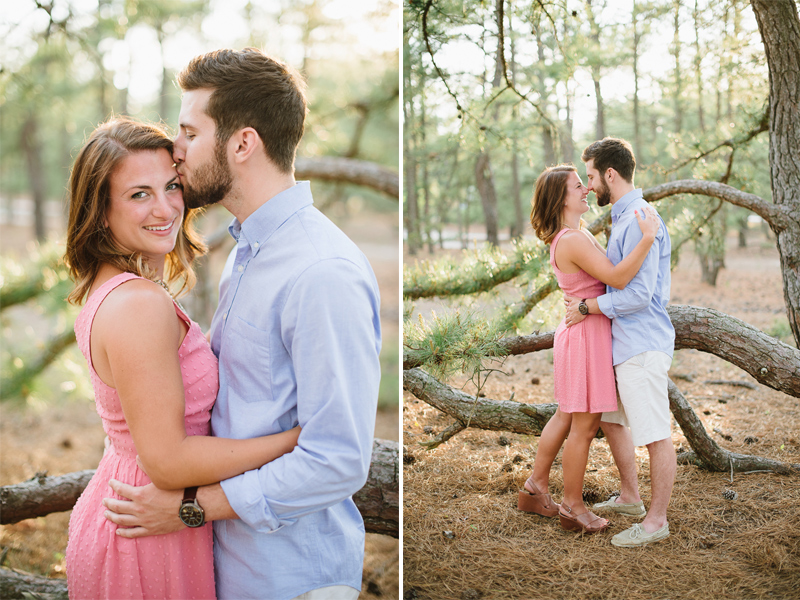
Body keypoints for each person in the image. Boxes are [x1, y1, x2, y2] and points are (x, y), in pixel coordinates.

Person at [101, 48, 382, 600]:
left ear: (243, 143)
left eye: (188, 132)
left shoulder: (321, 271)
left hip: (293, 579)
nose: (174, 152)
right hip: (229, 567)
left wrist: (191, 507)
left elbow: (338, 459)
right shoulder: (247, 251)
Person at [63, 117, 301, 599]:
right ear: (101, 211)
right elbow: (168, 462)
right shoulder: (137, 304)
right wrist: (293, 440)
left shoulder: (117, 290)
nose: (166, 207)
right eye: (138, 194)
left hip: (140, 510)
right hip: (147, 530)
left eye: (171, 186)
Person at [519, 164, 659, 534]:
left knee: (565, 416)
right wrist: (647, 239)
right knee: (583, 425)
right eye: (577, 185)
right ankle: (573, 506)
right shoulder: (573, 240)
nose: (585, 189)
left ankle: (535, 487)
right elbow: (616, 278)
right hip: (586, 336)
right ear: (560, 198)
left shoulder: (574, 235)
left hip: (583, 331)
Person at [564, 137, 676, 547]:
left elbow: (638, 295)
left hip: (642, 344)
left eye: (591, 176)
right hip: (622, 344)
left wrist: (587, 307)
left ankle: (655, 521)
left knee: (654, 434)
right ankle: (630, 497)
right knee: (612, 422)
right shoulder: (626, 217)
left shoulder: (640, 219)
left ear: (610, 174)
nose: (589, 186)